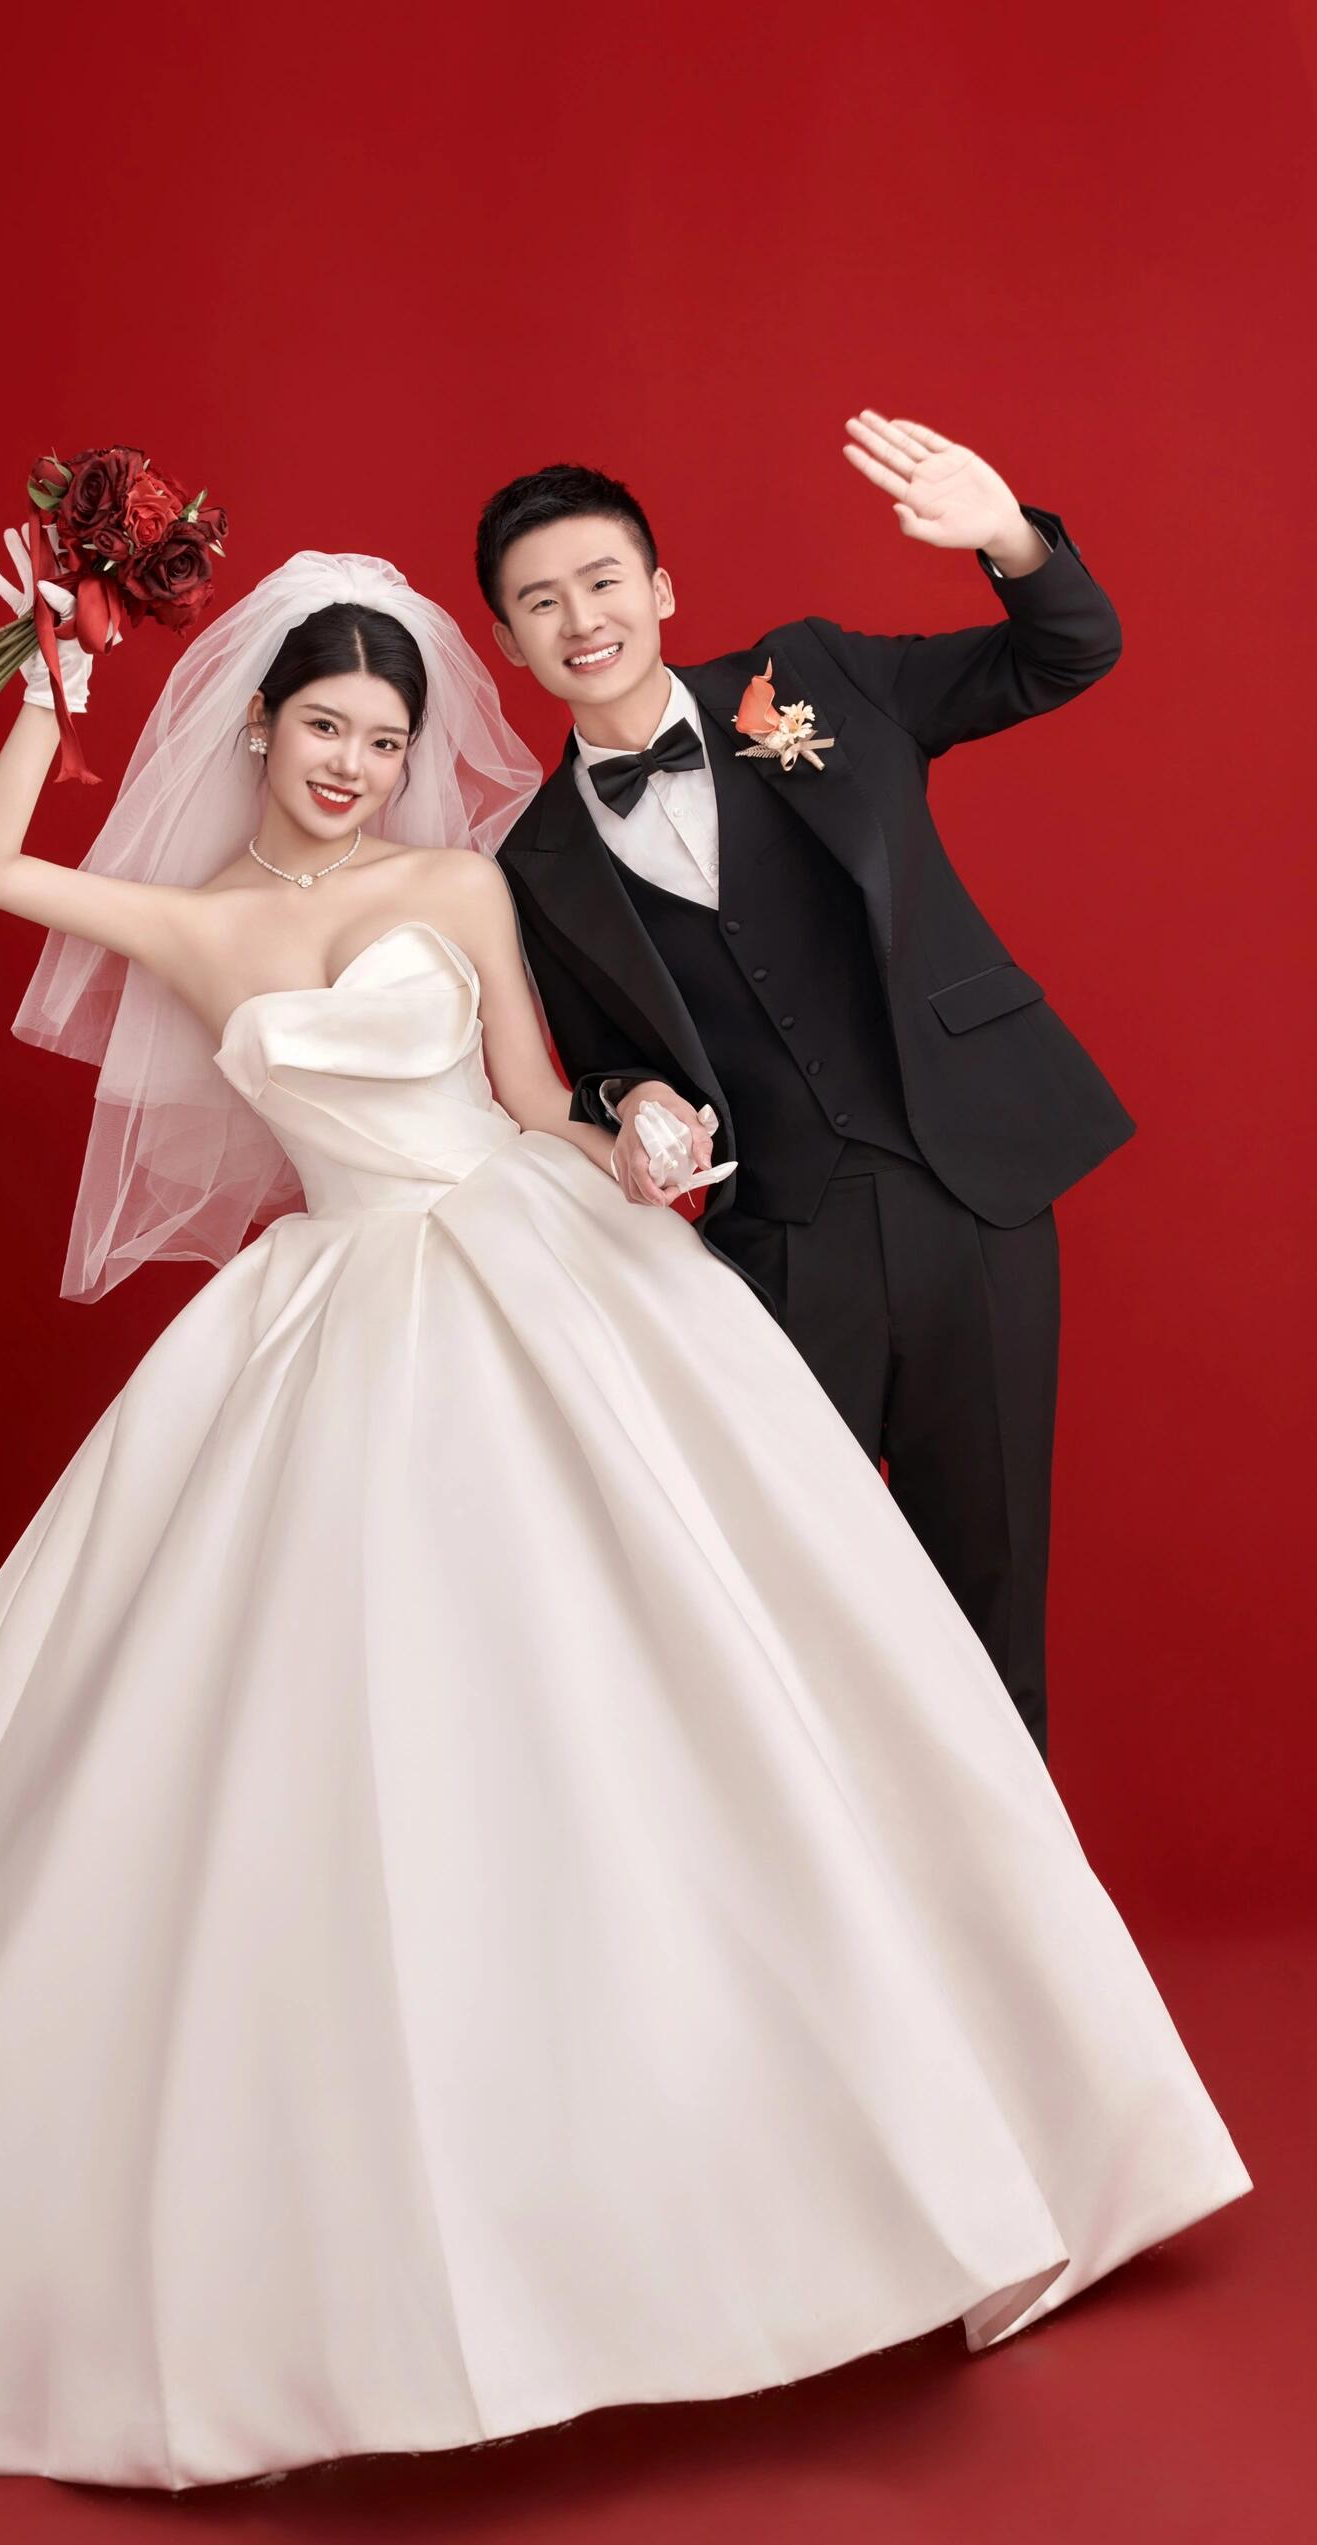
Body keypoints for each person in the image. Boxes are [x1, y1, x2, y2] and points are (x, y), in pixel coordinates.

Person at [0, 547, 1247, 2497]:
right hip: (331, 1307)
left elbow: (536, 1097)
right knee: (321, 1747)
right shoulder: (194, 922)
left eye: (387, 739)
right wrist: (52, 677)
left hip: (532, 1270)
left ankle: (868, 2127)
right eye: (326, 727)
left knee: (692, 1677)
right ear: (258, 727)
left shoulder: (457, 883)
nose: (356, 766)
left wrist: (635, 1144)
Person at [484, 418, 1134, 1763]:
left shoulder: (815, 676)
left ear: (660, 590)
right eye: (541, 602)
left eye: (602, 581)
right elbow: (600, 1058)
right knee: (800, 1608)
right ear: (506, 642)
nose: (581, 620)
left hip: (969, 1188)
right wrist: (634, 1104)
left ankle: (1005, 1893)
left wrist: (1009, 539)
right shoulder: (531, 861)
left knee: (992, 1584)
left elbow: (1063, 653)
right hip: (776, 1244)